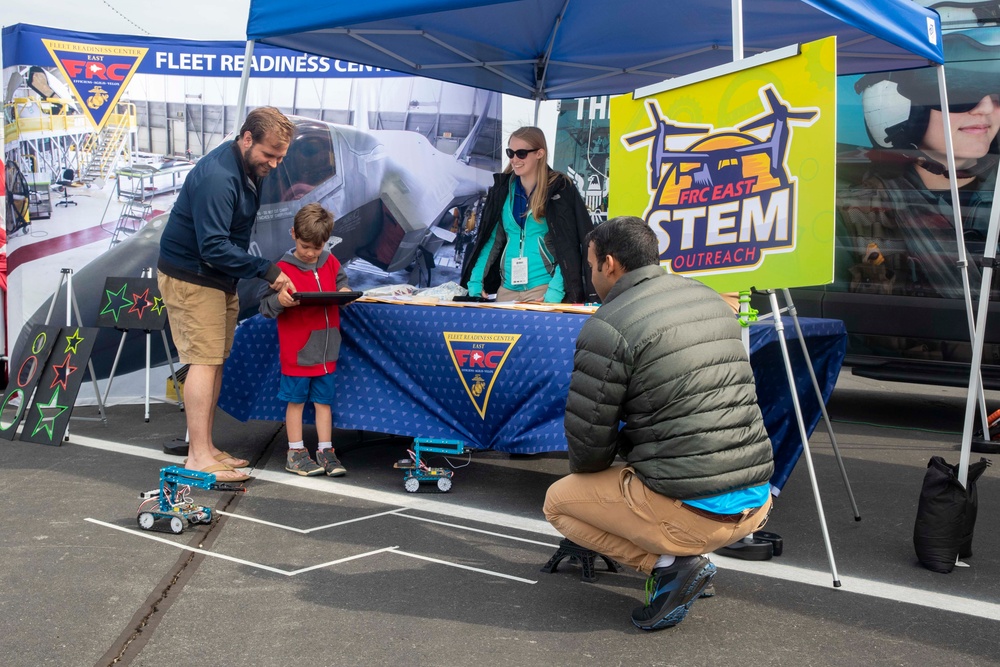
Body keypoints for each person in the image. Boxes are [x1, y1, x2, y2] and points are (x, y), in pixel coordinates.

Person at [543, 216, 775, 632]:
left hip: (693, 512)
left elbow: (588, 446)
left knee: (559, 501)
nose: (591, 274)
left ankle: (672, 565)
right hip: (756, 502)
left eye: (592, 265)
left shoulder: (609, 324)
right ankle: (684, 561)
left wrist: (617, 477)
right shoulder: (710, 299)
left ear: (610, 264)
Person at [157, 106, 295, 482]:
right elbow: (213, 246)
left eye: (280, 157)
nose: (274, 164)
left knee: (215, 359)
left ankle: (207, 446)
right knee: (203, 360)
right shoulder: (219, 176)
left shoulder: (250, 168)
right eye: (269, 155)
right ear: (247, 138)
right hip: (193, 276)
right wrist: (267, 271)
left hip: (218, 278)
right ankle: (198, 456)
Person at [840, 53, 1000, 301]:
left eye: (996, 93)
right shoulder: (854, 214)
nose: (987, 108)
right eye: (957, 93)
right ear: (895, 108)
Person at [259, 203, 351, 477]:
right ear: (293, 234)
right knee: (296, 402)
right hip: (298, 352)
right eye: (305, 246)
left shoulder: (331, 261)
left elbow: (342, 283)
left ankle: (326, 450)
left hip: (327, 350)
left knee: (325, 402)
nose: (311, 253)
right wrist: (280, 300)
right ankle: (295, 452)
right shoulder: (281, 269)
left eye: (317, 247)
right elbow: (265, 306)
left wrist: (344, 291)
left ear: (326, 242)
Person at [460, 126, 595, 303]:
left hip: (544, 290)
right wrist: (475, 283)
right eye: (511, 153)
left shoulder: (560, 188)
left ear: (539, 153)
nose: (515, 159)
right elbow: (491, 241)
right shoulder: (502, 190)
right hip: (506, 290)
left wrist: (554, 293)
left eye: (521, 153)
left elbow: (570, 246)